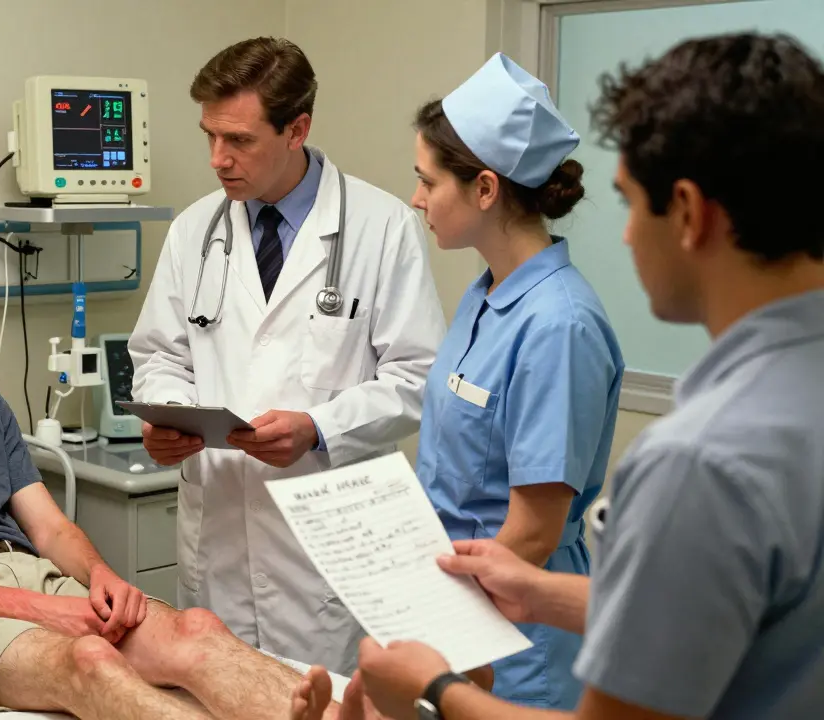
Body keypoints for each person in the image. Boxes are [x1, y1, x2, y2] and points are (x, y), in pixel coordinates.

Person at [294, 31, 824, 720]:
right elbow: (709, 614)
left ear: (690, 213)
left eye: (631, 204)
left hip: (514, 657)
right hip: (484, 600)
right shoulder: (789, 399)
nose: (625, 235)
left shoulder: (693, 454)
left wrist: (438, 688)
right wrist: (523, 595)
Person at [0, 195, 345, 720]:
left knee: (196, 630)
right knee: (91, 661)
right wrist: (40, 610)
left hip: (32, 575)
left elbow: (49, 530)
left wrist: (101, 575)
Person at [129, 36, 446, 676]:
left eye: (239, 140)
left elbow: (418, 377)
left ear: (297, 129)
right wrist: (170, 416)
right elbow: (160, 354)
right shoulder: (194, 231)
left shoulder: (382, 227)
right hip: (218, 543)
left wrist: (318, 427)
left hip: (323, 553)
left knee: (323, 704)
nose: (218, 159)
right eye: (209, 135)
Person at [402, 53, 624, 709]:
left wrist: (449, 620)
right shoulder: (485, 295)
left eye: (427, 181)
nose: (417, 199)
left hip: (516, 631)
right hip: (459, 602)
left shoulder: (560, 326)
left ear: (485, 189)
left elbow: (532, 531)